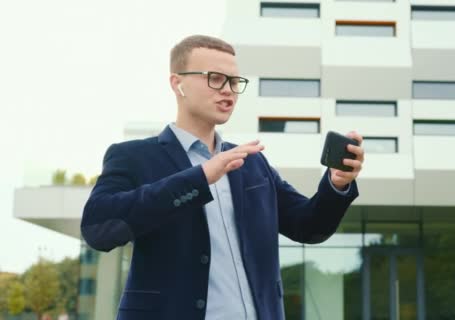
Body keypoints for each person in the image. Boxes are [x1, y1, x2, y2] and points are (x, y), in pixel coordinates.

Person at [81, 35, 364, 320]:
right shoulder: (134, 157)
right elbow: (98, 228)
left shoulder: (252, 163)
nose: (228, 90)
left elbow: (308, 226)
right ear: (177, 83)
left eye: (234, 81)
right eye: (215, 78)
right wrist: (199, 177)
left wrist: (336, 184)